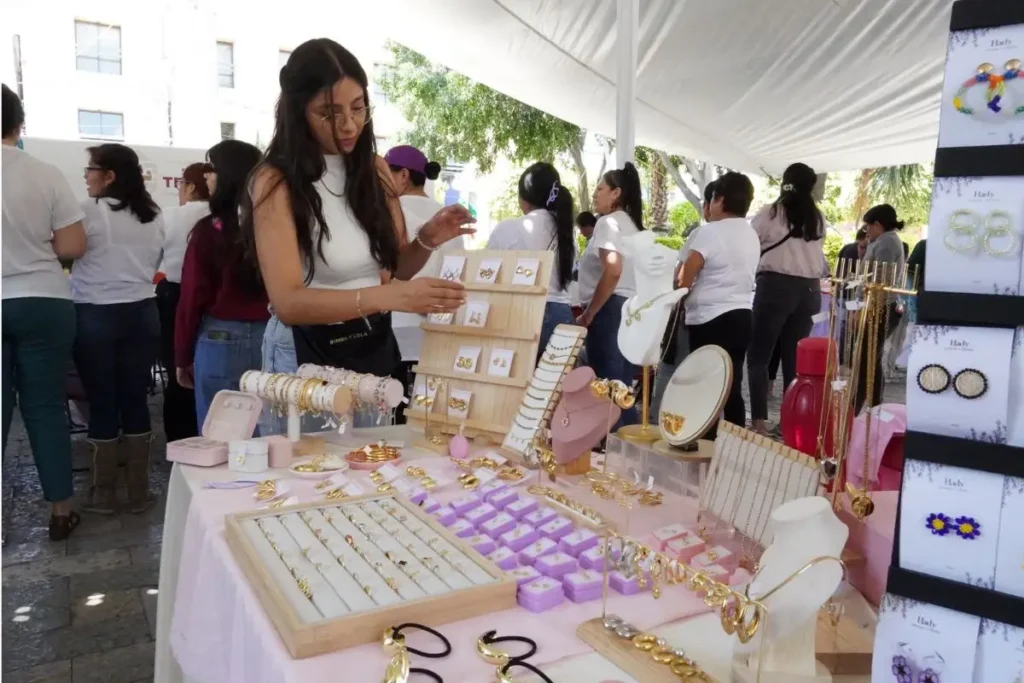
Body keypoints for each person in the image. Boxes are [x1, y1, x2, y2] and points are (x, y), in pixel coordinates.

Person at [242, 39, 472, 420]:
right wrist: (392, 298)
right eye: (328, 114)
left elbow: (395, 268)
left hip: (369, 347)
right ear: (298, 112)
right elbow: (289, 303)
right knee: (313, 474)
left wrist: (427, 238)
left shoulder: (374, 168)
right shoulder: (275, 181)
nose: (349, 125)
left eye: (359, 107)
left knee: (374, 469)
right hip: (305, 355)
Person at [2, 84, 87, 539]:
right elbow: (73, 244)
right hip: (43, 298)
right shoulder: (46, 173)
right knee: (46, 405)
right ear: (18, 124)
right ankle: (60, 509)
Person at [71, 143, 164, 514]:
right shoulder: (153, 213)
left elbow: (67, 251)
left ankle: (103, 494)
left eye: (91, 168)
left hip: (96, 314)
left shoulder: (88, 211)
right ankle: (139, 492)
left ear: (109, 175)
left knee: (102, 401)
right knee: (135, 399)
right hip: (143, 312)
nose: (86, 175)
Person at [175, 140, 268, 428]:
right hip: (272, 335)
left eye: (212, 169)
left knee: (220, 436)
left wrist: (181, 354)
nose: (206, 176)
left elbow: (191, 296)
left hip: (220, 339)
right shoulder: (275, 226)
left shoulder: (209, 231)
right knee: (266, 434)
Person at [676, 172, 759, 438]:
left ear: (719, 200)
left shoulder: (708, 232)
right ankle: (734, 443)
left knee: (706, 385)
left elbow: (684, 277)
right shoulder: (751, 233)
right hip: (742, 314)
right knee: (731, 384)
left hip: (710, 318)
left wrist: (679, 294)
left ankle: (705, 441)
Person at [747, 163, 826, 437]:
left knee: (758, 356)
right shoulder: (817, 218)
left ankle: (758, 422)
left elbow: (750, 243)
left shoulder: (771, 212)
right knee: (794, 361)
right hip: (810, 291)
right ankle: (791, 423)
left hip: (775, 287)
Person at [385, 144, 466, 363]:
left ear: (403, 175)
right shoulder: (448, 216)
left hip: (395, 325)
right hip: (438, 329)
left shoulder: (388, 211)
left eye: (385, 172)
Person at [577, 163, 644, 424]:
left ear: (616, 193)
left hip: (610, 309)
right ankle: (624, 440)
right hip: (630, 308)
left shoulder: (608, 223)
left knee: (607, 384)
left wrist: (590, 312)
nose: (595, 194)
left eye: (600, 188)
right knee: (621, 384)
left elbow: (613, 271)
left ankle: (612, 442)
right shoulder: (633, 227)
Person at [487, 162, 576, 357]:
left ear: (523, 199)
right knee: (555, 386)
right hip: (563, 317)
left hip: (522, 314)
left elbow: (488, 276)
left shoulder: (507, 229)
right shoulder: (567, 233)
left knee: (519, 384)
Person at [649, 179, 717, 425]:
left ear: (711, 205)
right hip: (722, 318)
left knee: (672, 371)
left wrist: (678, 293)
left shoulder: (703, 233)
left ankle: (660, 425)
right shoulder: (746, 235)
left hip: (690, 314)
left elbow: (680, 276)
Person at [156, 162, 211, 441]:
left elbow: (152, 262)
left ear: (189, 187)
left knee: (177, 366)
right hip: (215, 301)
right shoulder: (230, 215)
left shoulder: (169, 216)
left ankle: (180, 441)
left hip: (175, 296)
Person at [856, 203, 906, 411]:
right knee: (870, 356)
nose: (867, 230)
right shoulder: (886, 240)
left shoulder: (887, 243)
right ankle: (870, 401)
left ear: (878, 224)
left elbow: (879, 280)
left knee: (868, 357)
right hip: (880, 304)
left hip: (881, 305)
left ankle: (864, 402)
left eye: (868, 226)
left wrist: (863, 306)